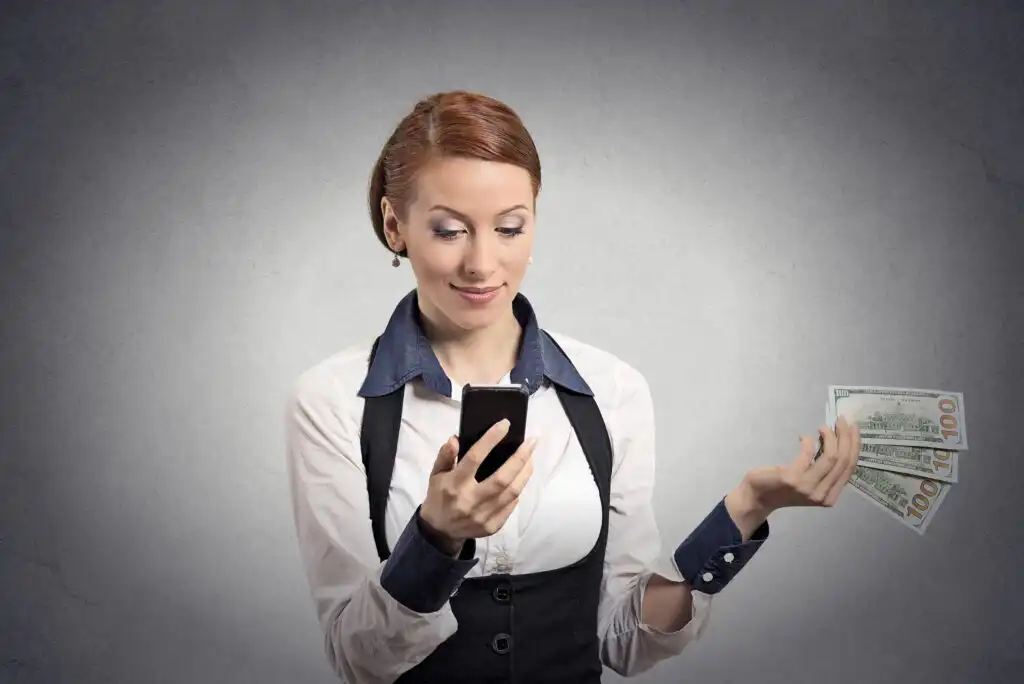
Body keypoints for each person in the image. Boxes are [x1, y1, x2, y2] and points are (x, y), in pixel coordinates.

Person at [284, 90, 861, 684]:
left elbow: (623, 640)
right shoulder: (331, 400)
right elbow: (359, 662)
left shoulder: (610, 390)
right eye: (450, 231)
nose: (483, 264)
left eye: (510, 227)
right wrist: (436, 537)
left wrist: (745, 510)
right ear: (393, 225)